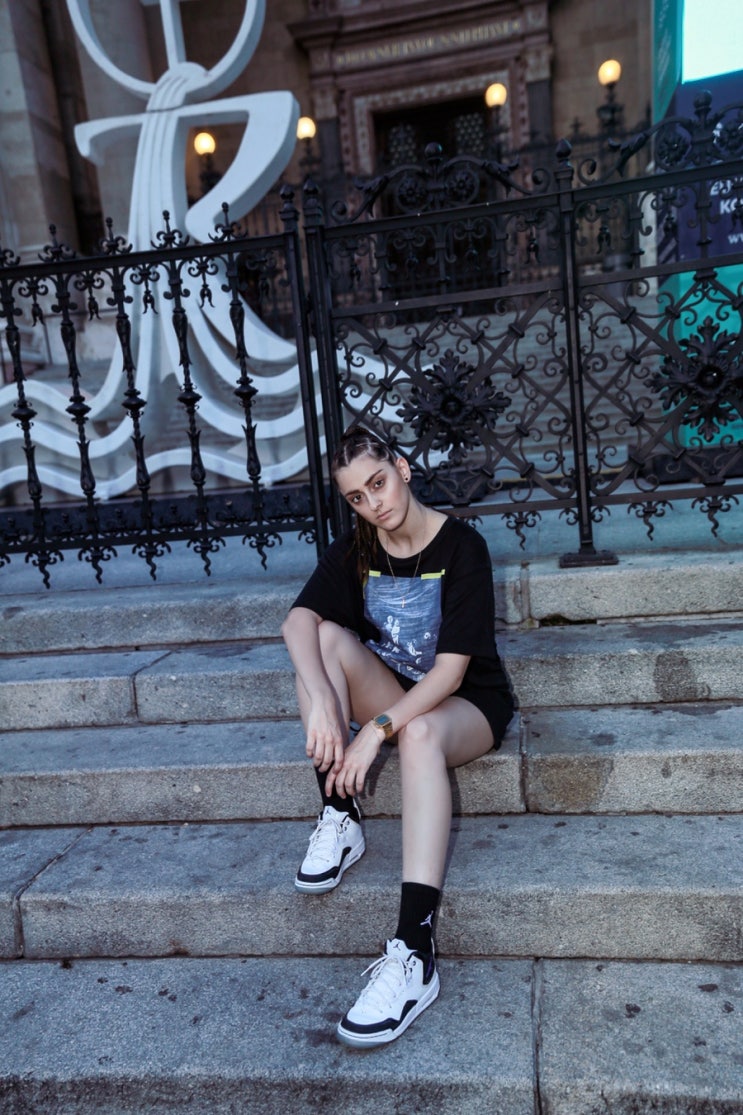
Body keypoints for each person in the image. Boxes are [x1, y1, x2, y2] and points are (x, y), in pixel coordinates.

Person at [281, 425, 514, 1048]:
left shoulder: (462, 546)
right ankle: (340, 812)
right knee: (320, 640)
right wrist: (324, 703)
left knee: (419, 735)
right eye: (357, 497)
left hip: (464, 706)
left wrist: (374, 732)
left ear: (403, 469)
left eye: (378, 483)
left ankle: (414, 952)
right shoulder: (358, 545)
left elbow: (450, 673)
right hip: (394, 693)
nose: (373, 503)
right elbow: (296, 622)